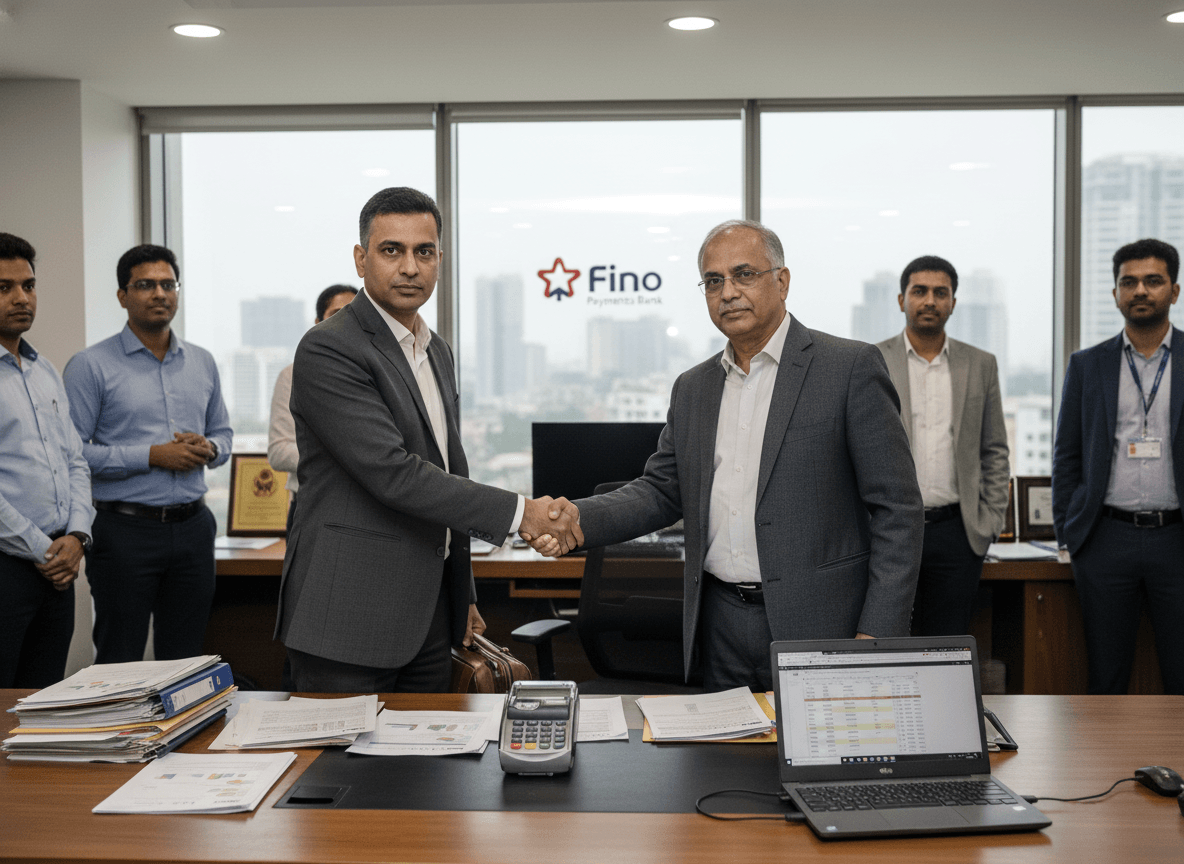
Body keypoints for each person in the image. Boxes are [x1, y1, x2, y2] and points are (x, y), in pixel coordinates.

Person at [528, 220, 923, 691]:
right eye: (714, 281)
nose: (728, 292)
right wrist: (576, 518)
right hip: (718, 626)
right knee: (721, 763)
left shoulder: (849, 367)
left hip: (824, 626)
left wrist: (877, 634)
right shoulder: (693, 387)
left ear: (782, 280)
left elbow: (897, 511)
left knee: (814, 762)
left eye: (744, 275)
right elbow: (661, 490)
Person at [276, 186, 581, 693]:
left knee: (428, 770)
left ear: (440, 259)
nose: (410, 267)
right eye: (391, 250)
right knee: (339, 773)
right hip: (348, 617)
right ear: (360, 258)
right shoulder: (329, 347)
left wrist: (462, 594)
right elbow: (394, 474)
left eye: (424, 252)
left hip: (429, 620)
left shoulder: (435, 350)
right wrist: (520, 513)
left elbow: (447, 475)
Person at [64, 244, 232, 663]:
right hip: (124, 532)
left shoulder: (202, 362)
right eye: (145, 285)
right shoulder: (90, 365)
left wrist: (208, 448)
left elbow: (224, 435)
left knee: (187, 659)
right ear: (123, 295)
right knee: (120, 660)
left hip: (194, 527)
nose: (159, 293)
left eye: (167, 284)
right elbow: (73, 454)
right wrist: (152, 455)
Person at [1052, 237, 1184, 695]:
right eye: (1129, 282)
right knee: (1106, 676)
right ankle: (1104, 768)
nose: (1141, 291)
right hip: (1106, 540)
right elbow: (1066, 455)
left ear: (1175, 290)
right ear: (1115, 294)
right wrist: (1069, 532)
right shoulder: (1087, 365)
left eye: (1153, 281)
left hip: (1178, 538)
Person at [875, 256, 1009, 637]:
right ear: (902, 299)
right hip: (890, 531)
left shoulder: (981, 364)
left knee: (947, 646)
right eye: (919, 291)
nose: (929, 300)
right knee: (886, 640)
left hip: (957, 532)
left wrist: (990, 522)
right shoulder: (871, 360)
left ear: (953, 302)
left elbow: (995, 449)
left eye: (940, 292)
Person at [0, 233, 94, 687]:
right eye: (4, 288)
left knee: (43, 703)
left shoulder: (43, 369)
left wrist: (77, 535)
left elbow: (74, 461)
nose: (21, 298)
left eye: (28, 285)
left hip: (58, 566)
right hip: (11, 566)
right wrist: (46, 550)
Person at [267, 284, 358, 530]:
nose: (345, 322)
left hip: (369, 512)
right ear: (318, 322)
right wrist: (348, 459)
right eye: (336, 314)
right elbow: (278, 451)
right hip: (312, 507)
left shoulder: (379, 376)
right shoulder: (293, 375)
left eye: (354, 314)